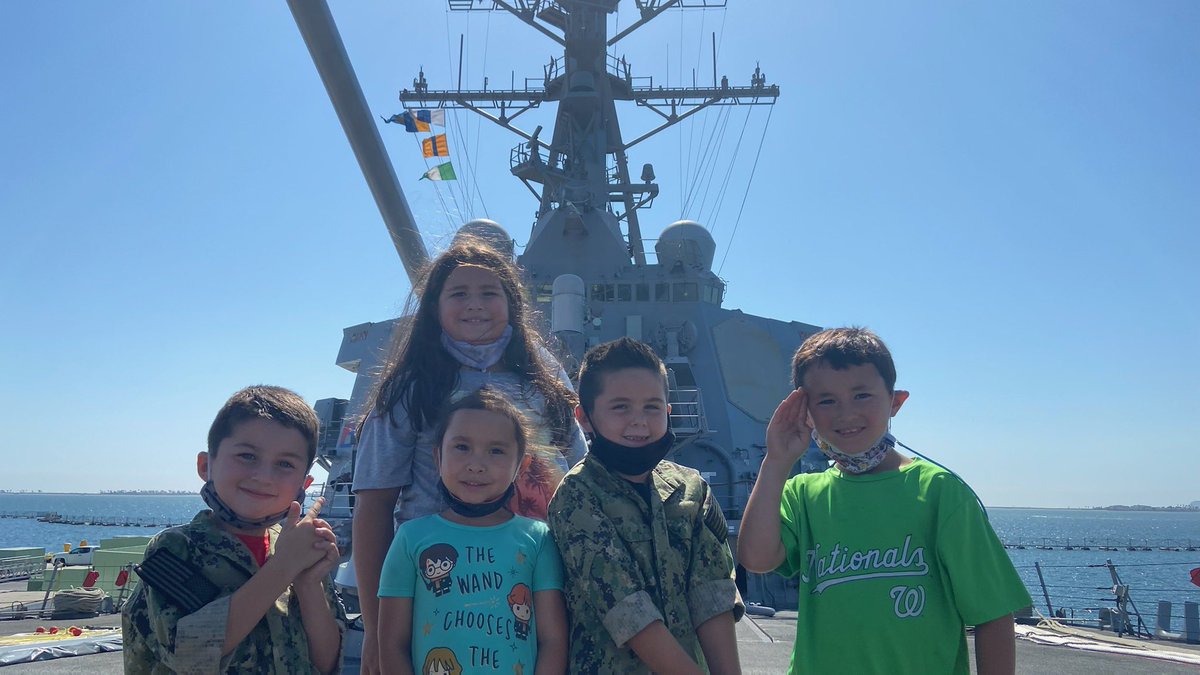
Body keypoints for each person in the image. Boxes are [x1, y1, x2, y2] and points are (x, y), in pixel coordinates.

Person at [353, 235, 587, 672]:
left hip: (537, 574)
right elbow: (373, 504)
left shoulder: (543, 377)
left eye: (489, 292)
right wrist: (375, 630)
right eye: (458, 293)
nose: (474, 304)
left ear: (512, 302)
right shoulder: (413, 386)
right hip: (441, 588)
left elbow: (579, 478)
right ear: (434, 308)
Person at [737, 327, 1031, 674]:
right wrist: (776, 461)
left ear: (896, 401)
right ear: (805, 411)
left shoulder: (940, 492)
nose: (845, 413)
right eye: (826, 401)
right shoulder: (803, 493)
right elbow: (755, 558)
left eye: (862, 395)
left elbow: (993, 614)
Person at [548, 337, 743, 674]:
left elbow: (712, 595)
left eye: (652, 406)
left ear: (668, 411)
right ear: (585, 417)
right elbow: (627, 610)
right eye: (620, 406)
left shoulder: (692, 489)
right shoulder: (576, 496)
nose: (639, 420)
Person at [121, 386, 345, 674]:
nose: (264, 476)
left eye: (285, 464)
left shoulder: (298, 551)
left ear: (304, 484)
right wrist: (286, 565)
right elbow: (189, 654)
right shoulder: (175, 548)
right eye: (247, 456)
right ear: (206, 465)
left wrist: (307, 583)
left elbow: (326, 663)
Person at [376, 388, 568, 675]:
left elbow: (553, 640)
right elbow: (391, 644)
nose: (476, 465)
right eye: (462, 447)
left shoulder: (538, 539)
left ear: (522, 465)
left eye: (496, 451)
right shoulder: (410, 538)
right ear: (438, 456)